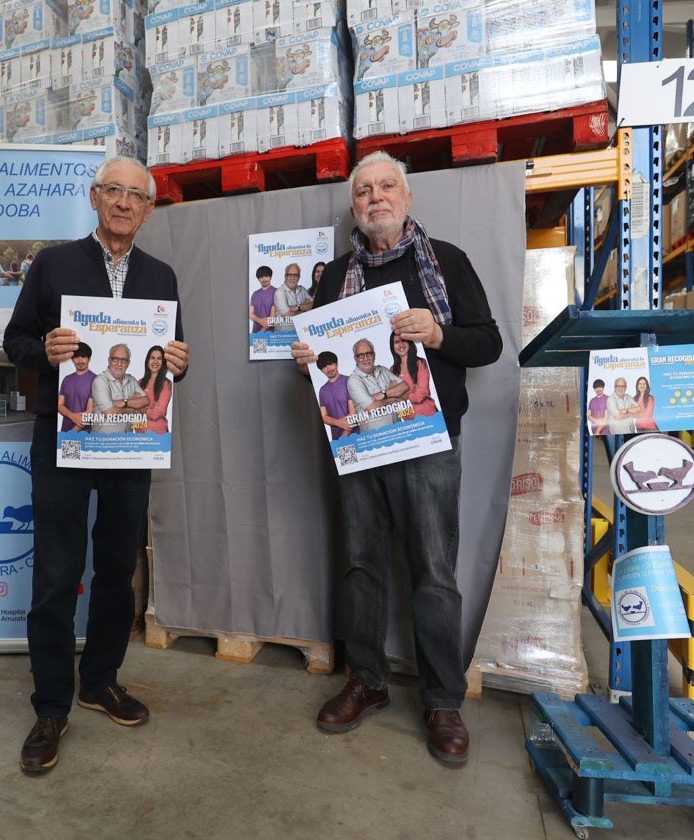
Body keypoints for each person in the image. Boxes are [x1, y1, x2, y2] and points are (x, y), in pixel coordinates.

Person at [290, 150, 502, 765]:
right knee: (361, 563)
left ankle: (442, 700)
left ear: (406, 199)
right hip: (359, 440)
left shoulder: (447, 263)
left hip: (430, 438)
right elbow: (321, 357)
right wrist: (307, 358)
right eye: (363, 191)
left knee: (433, 568)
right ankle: (368, 680)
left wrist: (437, 335)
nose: (375, 197)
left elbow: (487, 342)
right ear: (354, 207)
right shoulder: (333, 277)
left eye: (386, 187)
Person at [3, 155, 190, 774]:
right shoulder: (54, 264)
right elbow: (16, 342)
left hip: (130, 446)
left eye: (137, 195)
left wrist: (178, 362)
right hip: (64, 441)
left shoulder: (161, 277)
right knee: (57, 572)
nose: (124, 202)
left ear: (148, 208)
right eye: (114, 190)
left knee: (116, 568)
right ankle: (52, 704)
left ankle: (100, 679)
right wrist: (47, 349)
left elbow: (165, 359)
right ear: (95, 196)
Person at [346, 337, 408, 433]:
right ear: (355, 358)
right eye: (361, 355)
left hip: (398, 429)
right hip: (376, 438)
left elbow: (405, 388)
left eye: (369, 354)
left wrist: (382, 395)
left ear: (374, 355)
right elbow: (372, 408)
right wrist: (394, 395)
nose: (366, 358)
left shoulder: (383, 370)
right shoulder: (353, 380)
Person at [91, 343, 149, 433]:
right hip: (103, 443)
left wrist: (122, 403)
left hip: (126, 442)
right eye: (115, 359)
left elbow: (145, 401)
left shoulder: (131, 380)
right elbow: (109, 413)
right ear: (109, 360)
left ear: (128, 363)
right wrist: (132, 407)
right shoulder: (100, 381)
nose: (119, 364)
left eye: (124, 360)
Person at [390, 332, 437, 418]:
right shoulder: (392, 370)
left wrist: (401, 394)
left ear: (409, 342)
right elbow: (393, 398)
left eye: (404, 340)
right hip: (409, 422)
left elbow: (419, 396)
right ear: (393, 346)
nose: (400, 345)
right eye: (397, 342)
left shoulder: (421, 363)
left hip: (428, 416)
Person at [316, 350, 356, 439]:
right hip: (336, 440)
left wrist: (343, 439)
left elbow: (354, 412)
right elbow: (323, 416)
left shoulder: (349, 381)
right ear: (321, 370)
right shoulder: (322, 390)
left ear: (337, 364)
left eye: (330, 364)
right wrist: (337, 423)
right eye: (324, 367)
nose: (328, 369)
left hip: (355, 435)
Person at [58, 342, 96, 432]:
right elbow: (59, 405)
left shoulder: (96, 380)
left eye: (83, 357)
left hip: (86, 435)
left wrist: (71, 434)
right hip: (65, 431)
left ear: (89, 359)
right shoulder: (66, 379)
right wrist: (72, 416)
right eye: (76, 357)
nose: (80, 361)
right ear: (72, 359)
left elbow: (90, 412)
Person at [139, 344, 172, 433]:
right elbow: (132, 409)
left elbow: (156, 413)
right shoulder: (139, 383)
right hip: (139, 438)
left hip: (159, 437)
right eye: (152, 358)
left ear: (163, 362)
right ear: (147, 360)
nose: (155, 362)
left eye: (159, 359)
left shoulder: (166, 384)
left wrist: (141, 409)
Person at [249, 266, 277, 332]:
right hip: (255, 333)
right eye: (261, 277)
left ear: (270, 277)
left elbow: (273, 316)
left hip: (271, 334)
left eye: (266, 276)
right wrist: (259, 320)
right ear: (258, 279)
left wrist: (260, 334)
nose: (264, 279)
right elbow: (250, 313)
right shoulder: (255, 294)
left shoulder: (276, 292)